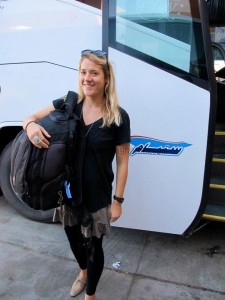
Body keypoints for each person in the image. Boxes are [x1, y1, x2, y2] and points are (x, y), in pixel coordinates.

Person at [23, 49, 130, 300]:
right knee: (72, 237)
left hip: (97, 194)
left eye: (94, 73)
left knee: (95, 246)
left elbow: (124, 161)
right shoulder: (68, 103)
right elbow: (29, 117)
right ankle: (83, 272)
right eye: (83, 72)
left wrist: (118, 200)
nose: (87, 78)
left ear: (106, 78)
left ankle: (90, 295)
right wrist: (30, 127)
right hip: (67, 190)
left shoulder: (118, 117)